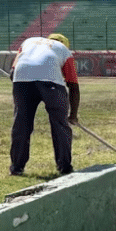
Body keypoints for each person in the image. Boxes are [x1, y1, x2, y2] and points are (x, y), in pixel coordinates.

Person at [9, 33, 80, 176]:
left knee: (21, 123)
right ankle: (64, 167)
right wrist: (72, 115)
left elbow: (12, 72)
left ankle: (17, 167)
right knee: (60, 125)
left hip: (21, 80)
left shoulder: (28, 41)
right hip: (51, 84)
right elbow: (73, 86)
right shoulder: (64, 50)